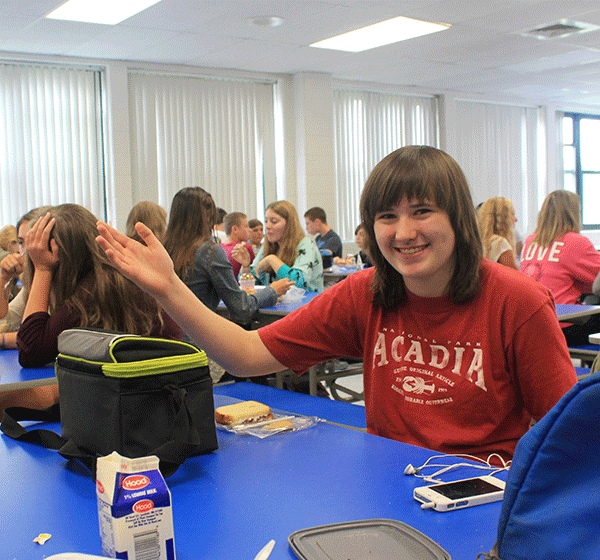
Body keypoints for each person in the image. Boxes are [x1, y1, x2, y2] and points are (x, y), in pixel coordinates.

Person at [97, 145, 576, 461]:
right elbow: (244, 356)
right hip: (390, 488)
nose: (403, 233)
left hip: (483, 496)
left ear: (458, 218)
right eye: (387, 216)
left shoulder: (517, 302)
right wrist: (168, 288)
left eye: (423, 212)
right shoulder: (365, 294)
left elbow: (570, 440)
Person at [1, 204, 182, 414]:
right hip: (159, 397)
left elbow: (31, 351)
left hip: (142, 407)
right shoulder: (109, 275)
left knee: (16, 398)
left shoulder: (93, 292)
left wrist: (42, 269)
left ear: (57, 253)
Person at [162, 187, 293, 326]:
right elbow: (241, 308)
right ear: (208, 217)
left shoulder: (164, 248)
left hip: (168, 337)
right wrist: (272, 291)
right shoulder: (209, 251)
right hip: (197, 337)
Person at [520, 190, 600, 346]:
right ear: (573, 213)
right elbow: (598, 283)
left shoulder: (530, 241)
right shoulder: (575, 242)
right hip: (564, 326)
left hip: (530, 324)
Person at [234, 201, 324, 293]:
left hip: (306, 304)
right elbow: (251, 283)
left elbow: (298, 283)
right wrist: (245, 266)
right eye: (266, 221)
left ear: (289, 224)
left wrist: (272, 259)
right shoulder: (269, 244)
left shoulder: (306, 243)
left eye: (274, 221)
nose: (267, 226)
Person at [477, 197, 519, 270]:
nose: (516, 219)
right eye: (513, 214)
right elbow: (517, 277)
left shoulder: (480, 241)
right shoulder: (500, 243)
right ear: (503, 218)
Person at [220, 212, 255, 279]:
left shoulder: (219, 248)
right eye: (246, 226)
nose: (250, 230)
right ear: (235, 229)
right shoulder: (244, 248)